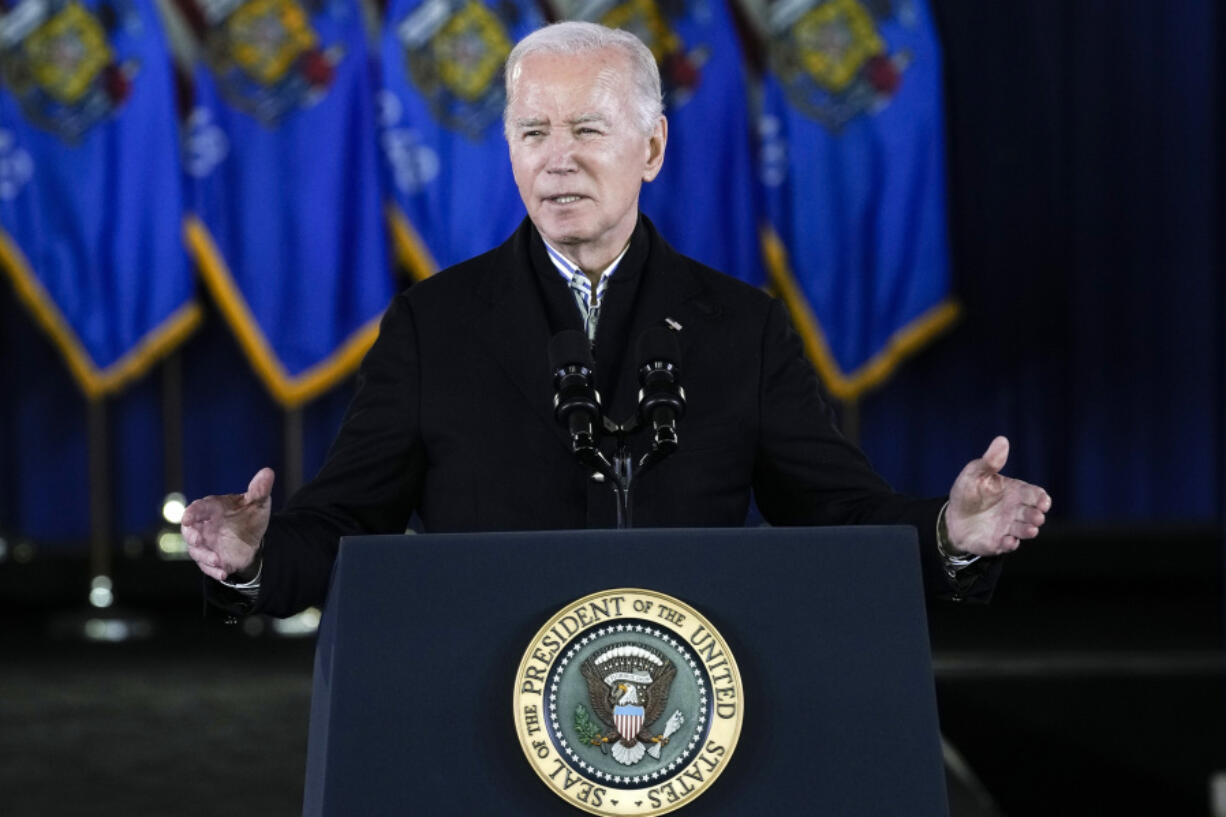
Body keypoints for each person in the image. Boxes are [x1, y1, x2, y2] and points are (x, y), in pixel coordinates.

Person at [182, 22, 1051, 618]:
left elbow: (838, 515)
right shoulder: (431, 325)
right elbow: (343, 527)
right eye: (532, 132)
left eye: (587, 129)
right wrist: (256, 553)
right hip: (489, 706)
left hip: (692, 713)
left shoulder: (740, 327)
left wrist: (951, 535)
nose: (556, 158)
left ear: (653, 148)